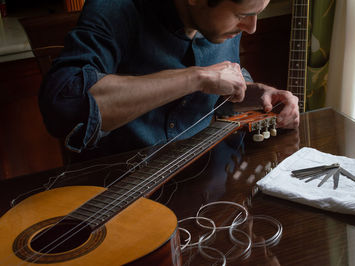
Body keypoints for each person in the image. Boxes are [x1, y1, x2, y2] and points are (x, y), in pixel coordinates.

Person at [39, 0, 299, 160]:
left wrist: (261, 94)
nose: (252, 28)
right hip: (124, 187)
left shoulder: (223, 22)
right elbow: (63, 107)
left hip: (208, 176)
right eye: (243, 15)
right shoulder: (116, 8)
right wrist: (195, 77)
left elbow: (218, 93)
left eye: (258, 12)